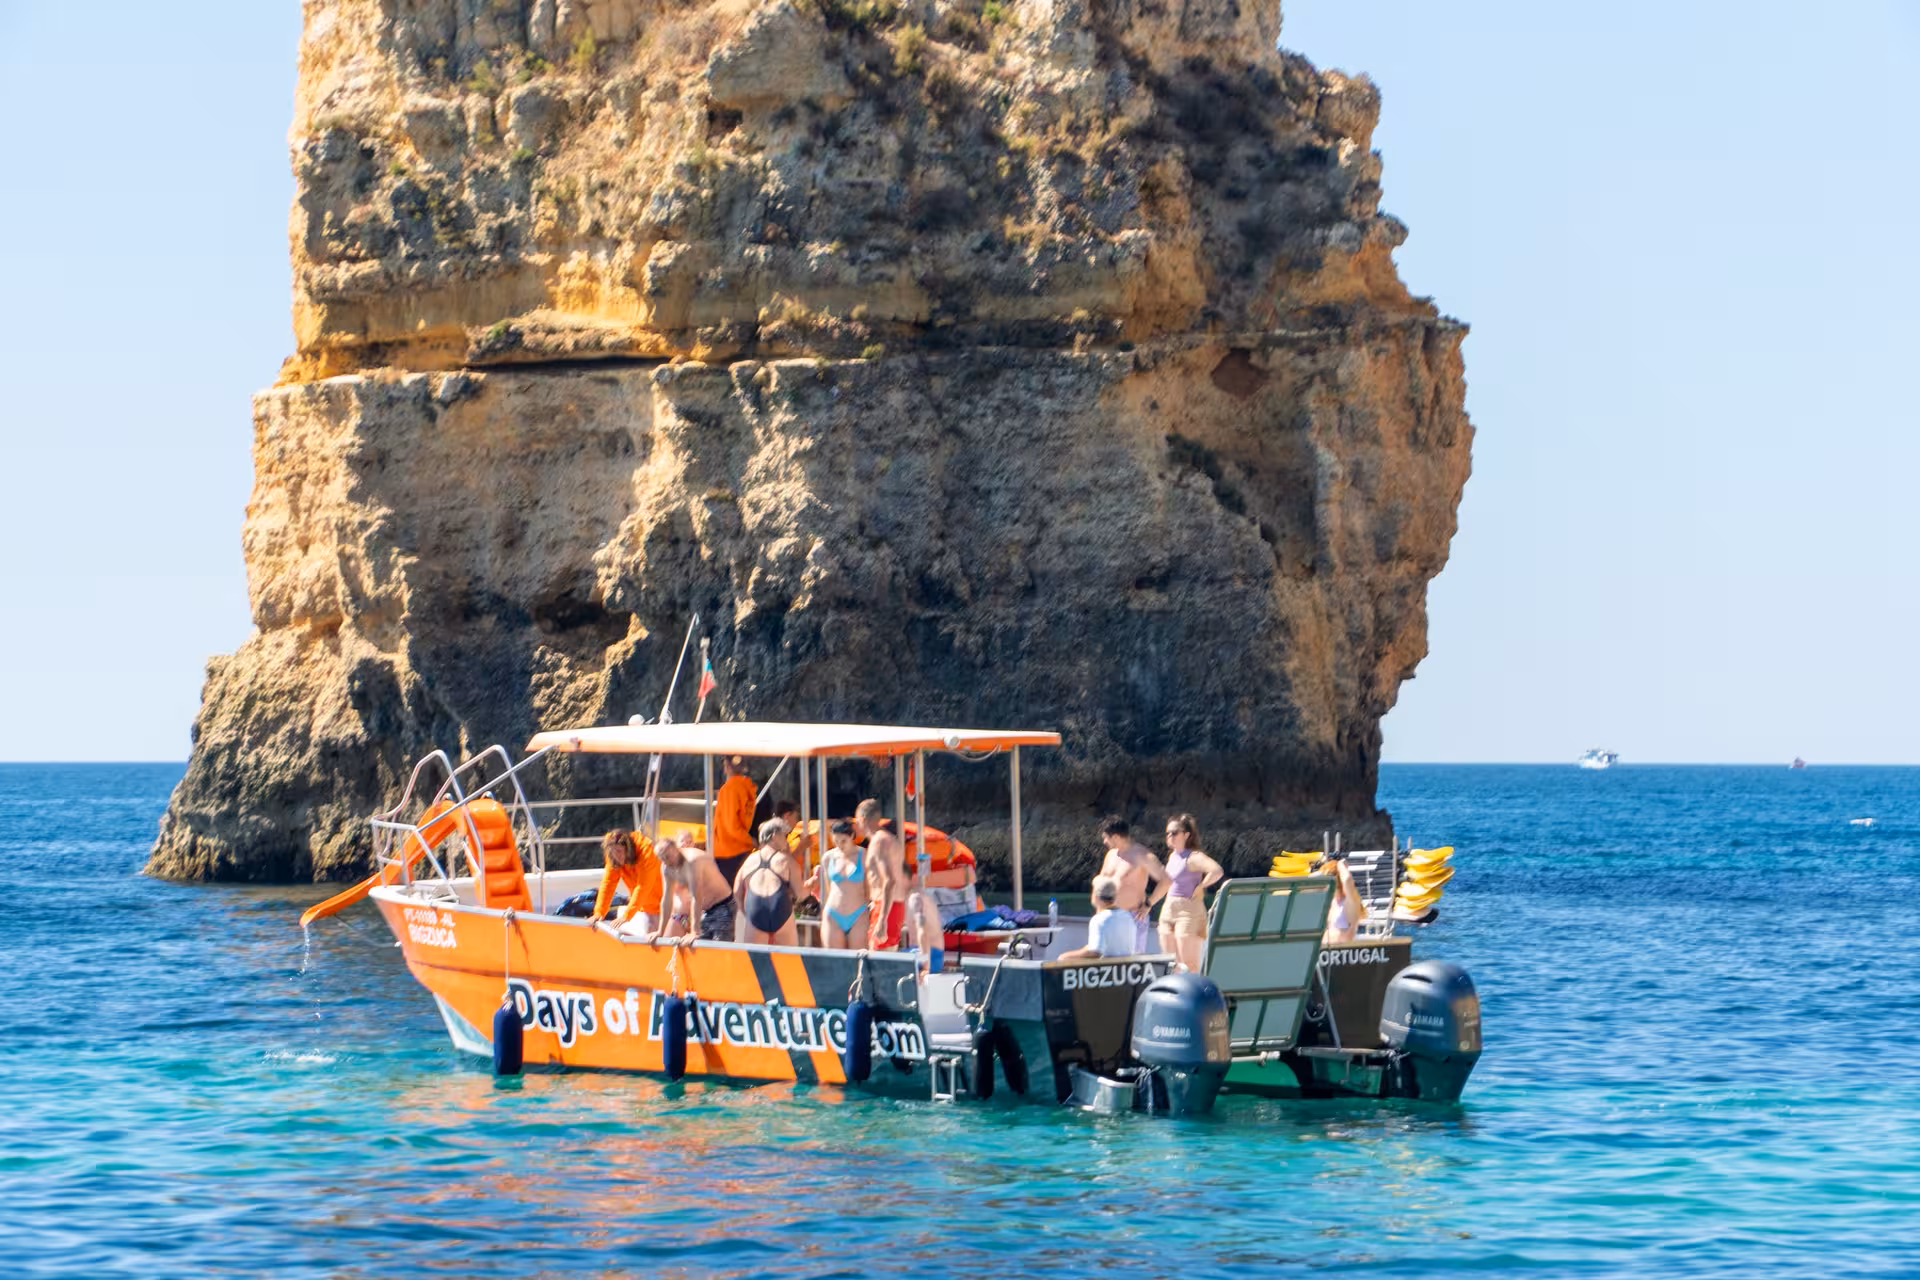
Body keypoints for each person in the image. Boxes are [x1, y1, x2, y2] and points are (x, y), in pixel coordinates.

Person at [1157, 813, 1224, 971]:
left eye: (1174, 833)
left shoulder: (1194, 857)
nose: (1170, 836)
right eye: (1168, 833)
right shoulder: (1173, 856)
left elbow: (1216, 871)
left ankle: (1192, 993)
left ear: (1186, 835)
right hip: (1169, 908)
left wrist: (1201, 886)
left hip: (1188, 911)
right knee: (1169, 961)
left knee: (1188, 963)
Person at [1096, 816, 1169, 953]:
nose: (1105, 841)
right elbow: (1101, 883)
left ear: (1116, 836)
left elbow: (1166, 881)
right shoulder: (1111, 855)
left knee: (1131, 964)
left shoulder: (1142, 855)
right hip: (1108, 918)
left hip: (1132, 917)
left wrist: (1149, 904)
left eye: (1106, 837)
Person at [735, 819, 804, 946]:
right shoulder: (787, 860)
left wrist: (745, 913)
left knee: (755, 962)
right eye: (785, 835)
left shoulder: (749, 860)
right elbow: (800, 894)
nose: (787, 839)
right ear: (774, 836)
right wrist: (813, 883)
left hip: (755, 911)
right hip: (780, 909)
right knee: (787, 961)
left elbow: (736, 892)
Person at [658, 831, 735, 942]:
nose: (686, 844)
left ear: (676, 850)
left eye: (689, 842)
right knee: (666, 946)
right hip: (683, 915)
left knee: (716, 949)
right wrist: (660, 931)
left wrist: (694, 931)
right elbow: (666, 899)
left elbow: (696, 896)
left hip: (720, 905)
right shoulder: (666, 867)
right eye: (663, 858)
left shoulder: (693, 860)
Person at [805, 819, 870, 950]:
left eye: (843, 841)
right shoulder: (828, 857)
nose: (840, 845)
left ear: (852, 836)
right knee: (834, 961)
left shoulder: (864, 855)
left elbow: (868, 888)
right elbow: (827, 889)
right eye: (836, 841)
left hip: (858, 913)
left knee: (858, 960)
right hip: (833, 913)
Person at [592, 829, 664, 937]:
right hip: (642, 909)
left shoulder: (647, 852)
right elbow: (608, 883)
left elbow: (643, 886)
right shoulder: (612, 853)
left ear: (628, 849)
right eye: (614, 852)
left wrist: (627, 915)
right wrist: (599, 913)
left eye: (619, 851)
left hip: (665, 906)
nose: (617, 856)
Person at [856, 799, 908, 948]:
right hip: (892, 905)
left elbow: (889, 880)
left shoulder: (879, 842)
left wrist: (882, 920)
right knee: (886, 961)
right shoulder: (889, 839)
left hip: (886, 908)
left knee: (879, 964)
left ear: (863, 819)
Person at [1058, 877, 1135, 960]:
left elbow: (1095, 952)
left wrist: (1064, 957)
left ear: (1095, 895)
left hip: (1105, 969)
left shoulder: (1099, 920)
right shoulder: (1128, 916)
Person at [712, 756, 758, 886]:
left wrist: (750, 840)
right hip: (742, 850)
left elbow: (731, 826)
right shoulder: (749, 788)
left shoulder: (729, 789)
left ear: (726, 767)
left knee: (729, 899)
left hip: (727, 853)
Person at [1320, 852, 1368, 944]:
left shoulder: (1350, 901)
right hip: (1327, 951)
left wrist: (1340, 864)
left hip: (1344, 951)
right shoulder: (1330, 902)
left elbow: (1347, 880)